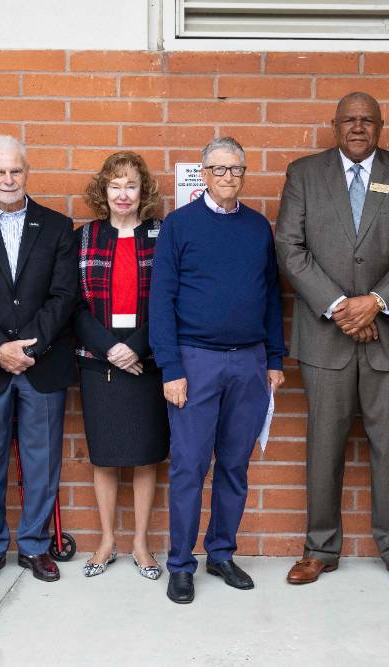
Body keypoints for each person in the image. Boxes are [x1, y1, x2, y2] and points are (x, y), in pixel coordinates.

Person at [275, 92, 389, 591]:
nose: (359, 127)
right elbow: (290, 246)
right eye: (350, 120)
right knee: (323, 444)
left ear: (381, 125)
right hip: (327, 337)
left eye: (368, 119)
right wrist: (342, 307)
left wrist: (378, 301)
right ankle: (319, 548)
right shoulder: (304, 174)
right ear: (334, 125)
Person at [150, 137, 286, 604]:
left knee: (234, 464)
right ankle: (181, 563)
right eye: (220, 169)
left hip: (248, 362)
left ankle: (222, 552)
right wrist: (170, 367)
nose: (229, 177)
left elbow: (270, 295)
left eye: (237, 170)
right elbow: (161, 300)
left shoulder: (256, 227)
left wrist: (273, 359)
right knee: (189, 465)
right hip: (195, 361)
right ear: (204, 174)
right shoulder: (179, 225)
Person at [0, 135, 78, 585]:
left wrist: (29, 348)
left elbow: (65, 295)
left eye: (16, 171)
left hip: (41, 364)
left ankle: (34, 546)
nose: (8, 179)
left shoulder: (58, 226)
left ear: (27, 172)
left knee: (42, 459)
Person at [75, 152, 169, 581]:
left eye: (131, 185)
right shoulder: (84, 237)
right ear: (104, 191)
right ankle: (108, 539)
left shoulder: (161, 236)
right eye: (115, 185)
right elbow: (73, 306)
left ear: (142, 191)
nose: (123, 194)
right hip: (100, 363)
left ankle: (141, 543)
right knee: (106, 458)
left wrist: (136, 347)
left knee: (146, 456)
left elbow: (170, 300)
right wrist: (110, 348)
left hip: (146, 362)